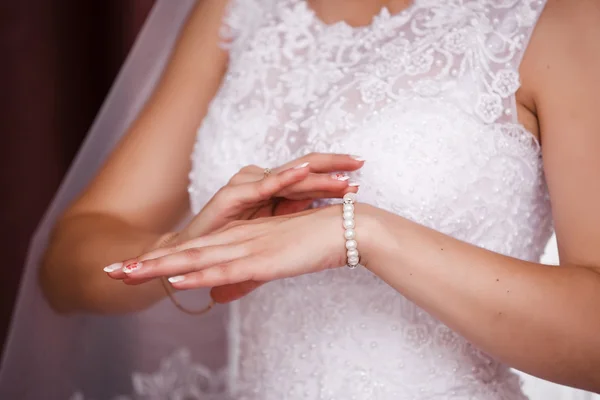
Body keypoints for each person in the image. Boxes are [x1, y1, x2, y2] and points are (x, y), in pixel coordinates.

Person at [2, 0, 600, 398]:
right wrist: (184, 253)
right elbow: (69, 259)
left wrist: (365, 234)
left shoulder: (563, 16)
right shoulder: (245, 9)